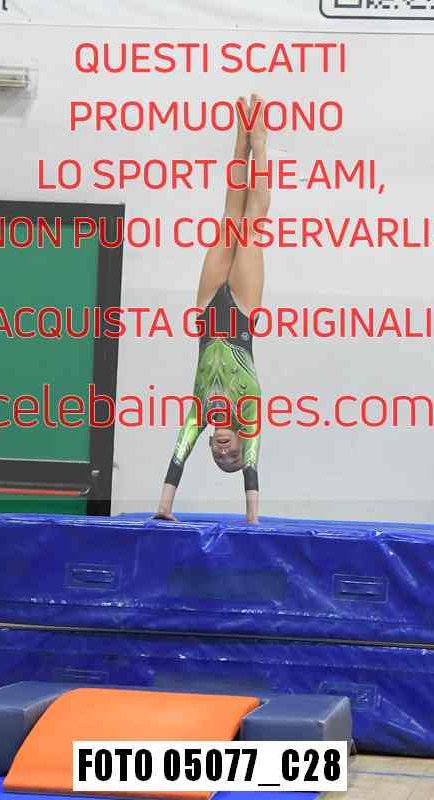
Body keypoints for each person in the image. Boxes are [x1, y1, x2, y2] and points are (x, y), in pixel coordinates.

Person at [155, 94, 270, 525]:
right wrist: (252, 519)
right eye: (233, 455)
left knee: (229, 217)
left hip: (206, 310)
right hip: (241, 311)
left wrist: (165, 508)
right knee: (253, 223)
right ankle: (260, 144)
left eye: (219, 456)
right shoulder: (249, 412)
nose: (224, 452)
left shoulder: (199, 413)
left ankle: (240, 140)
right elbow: (253, 473)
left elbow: (176, 459)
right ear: (242, 442)